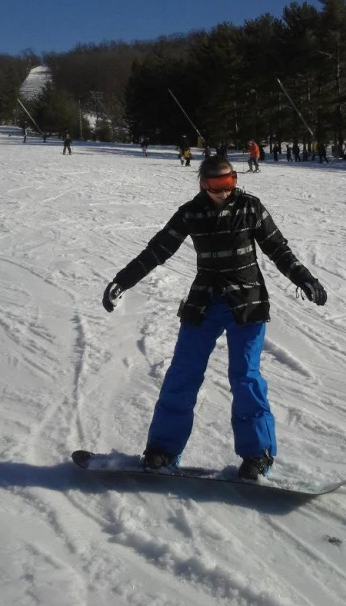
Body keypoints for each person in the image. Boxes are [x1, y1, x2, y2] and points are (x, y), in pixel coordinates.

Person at [102, 155, 327, 480]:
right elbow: (158, 250)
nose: (224, 191)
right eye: (216, 185)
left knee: (245, 376)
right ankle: (162, 451)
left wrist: (305, 279)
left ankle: (257, 456)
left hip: (247, 303)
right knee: (182, 373)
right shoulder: (191, 213)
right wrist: (122, 280)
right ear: (203, 184)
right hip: (204, 301)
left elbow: (278, 249)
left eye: (230, 183)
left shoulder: (251, 207)